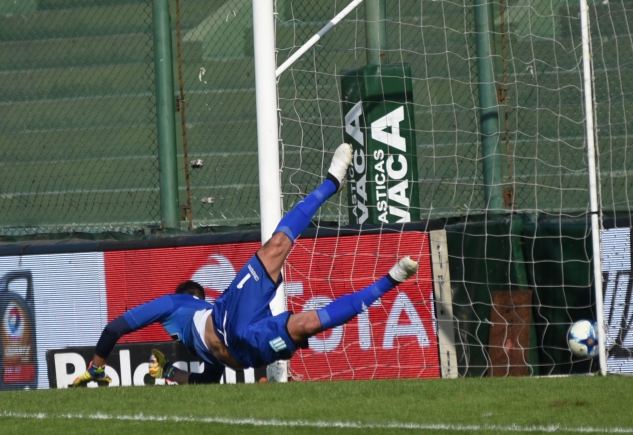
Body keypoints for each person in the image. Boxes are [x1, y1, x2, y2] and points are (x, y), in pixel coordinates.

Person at [72, 143, 419, 386]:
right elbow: (208, 379)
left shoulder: (185, 307)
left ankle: (332, 185)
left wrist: (98, 366)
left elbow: (115, 328)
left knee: (277, 251)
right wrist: (166, 373)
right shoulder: (186, 324)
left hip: (230, 315)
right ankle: (388, 280)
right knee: (306, 325)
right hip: (248, 349)